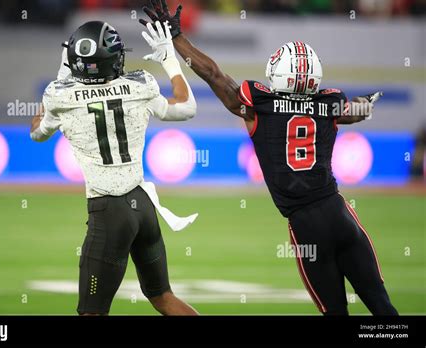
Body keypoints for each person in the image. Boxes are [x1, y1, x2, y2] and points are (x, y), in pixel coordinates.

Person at [140, 0, 398, 315]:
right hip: (340, 214)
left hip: (306, 225)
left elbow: (214, 75)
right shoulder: (330, 104)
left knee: (335, 312)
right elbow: (354, 112)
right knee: (384, 309)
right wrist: (365, 104)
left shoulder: (258, 104)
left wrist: (178, 38)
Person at [30, 19, 199, 315]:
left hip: (109, 213)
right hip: (142, 205)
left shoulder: (59, 97)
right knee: (163, 297)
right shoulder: (140, 85)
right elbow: (186, 107)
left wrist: (61, 76)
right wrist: (169, 58)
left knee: (91, 312)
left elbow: (37, 133)